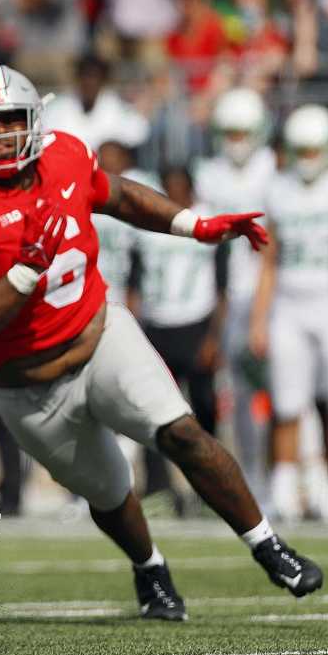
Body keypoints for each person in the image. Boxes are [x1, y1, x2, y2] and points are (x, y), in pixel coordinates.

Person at [0, 65, 321, 622]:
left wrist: (193, 226)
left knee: (182, 432)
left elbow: (119, 195)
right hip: (27, 389)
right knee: (111, 493)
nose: (5, 134)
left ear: (35, 120)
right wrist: (24, 271)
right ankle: (150, 568)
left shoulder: (64, 155)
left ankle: (268, 545)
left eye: (13, 119)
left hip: (100, 336)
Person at [127, 166, 227, 511]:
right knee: (154, 414)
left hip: (195, 324)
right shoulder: (146, 227)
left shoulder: (206, 223)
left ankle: (212, 490)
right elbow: (133, 284)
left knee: (204, 411)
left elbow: (222, 286)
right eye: (167, 189)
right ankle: (159, 487)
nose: (173, 196)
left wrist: (215, 336)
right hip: (156, 325)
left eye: (179, 189)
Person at [194, 88, 275, 501]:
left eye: (244, 132)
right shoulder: (208, 173)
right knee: (238, 394)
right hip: (224, 294)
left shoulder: (272, 169)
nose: (236, 140)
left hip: (270, 293)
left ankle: (289, 478)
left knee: (285, 392)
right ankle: (250, 479)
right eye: (230, 132)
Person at [251, 105, 328, 521]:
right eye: (302, 150)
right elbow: (268, 260)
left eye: (315, 150)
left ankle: (322, 489)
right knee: (286, 401)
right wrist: (258, 319)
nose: (308, 158)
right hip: (289, 302)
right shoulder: (278, 189)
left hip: (327, 299)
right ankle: (283, 488)